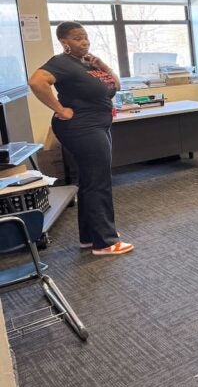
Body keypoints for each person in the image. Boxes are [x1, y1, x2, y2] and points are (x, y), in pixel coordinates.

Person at [28, 22, 133, 256]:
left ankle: (90, 236)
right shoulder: (61, 63)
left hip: (98, 124)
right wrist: (60, 109)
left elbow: (115, 85)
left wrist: (102, 65)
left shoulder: (86, 63)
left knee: (90, 180)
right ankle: (105, 243)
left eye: (85, 37)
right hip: (82, 127)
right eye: (77, 38)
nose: (84, 42)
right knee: (99, 181)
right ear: (64, 42)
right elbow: (36, 82)